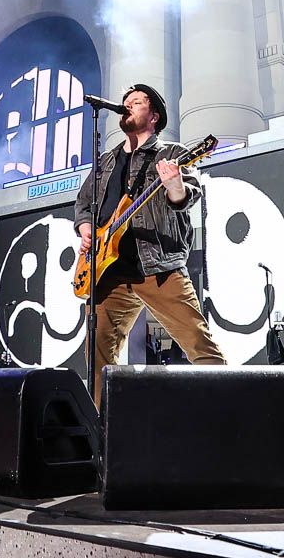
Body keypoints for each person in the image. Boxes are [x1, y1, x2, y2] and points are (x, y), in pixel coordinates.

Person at [75, 83, 225, 405]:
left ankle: (228, 414)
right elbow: (84, 203)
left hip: (158, 267)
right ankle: (105, 427)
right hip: (110, 272)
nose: (127, 105)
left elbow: (188, 197)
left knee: (198, 342)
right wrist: (86, 228)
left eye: (137, 102)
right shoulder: (105, 162)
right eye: (125, 102)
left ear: (154, 116)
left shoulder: (171, 154)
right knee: (97, 352)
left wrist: (174, 186)